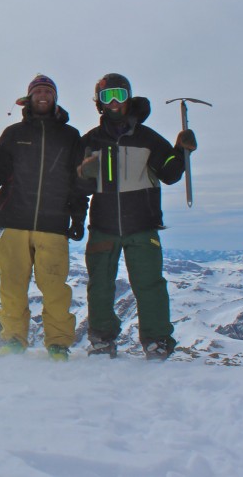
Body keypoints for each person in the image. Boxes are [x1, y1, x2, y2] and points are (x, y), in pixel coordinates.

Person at [0, 74, 88, 361]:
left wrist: (79, 218)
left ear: (54, 98)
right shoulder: (12, 134)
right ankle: (14, 338)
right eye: (38, 91)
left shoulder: (70, 137)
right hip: (14, 221)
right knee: (12, 286)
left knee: (55, 287)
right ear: (29, 98)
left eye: (48, 91)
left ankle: (57, 343)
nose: (43, 95)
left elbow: (79, 182)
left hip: (54, 225)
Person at [77, 73, 197, 361]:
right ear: (99, 103)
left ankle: (157, 341)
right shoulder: (90, 140)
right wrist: (83, 174)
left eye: (120, 94)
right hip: (103, 225)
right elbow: (75, 186)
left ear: (129, 98)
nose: (115, 101)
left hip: (142, 225)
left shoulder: (148, 138)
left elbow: (169, 173)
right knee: (100, 284)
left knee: (149, 284)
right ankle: (102, 339)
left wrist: (181, 150)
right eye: (108, 96)